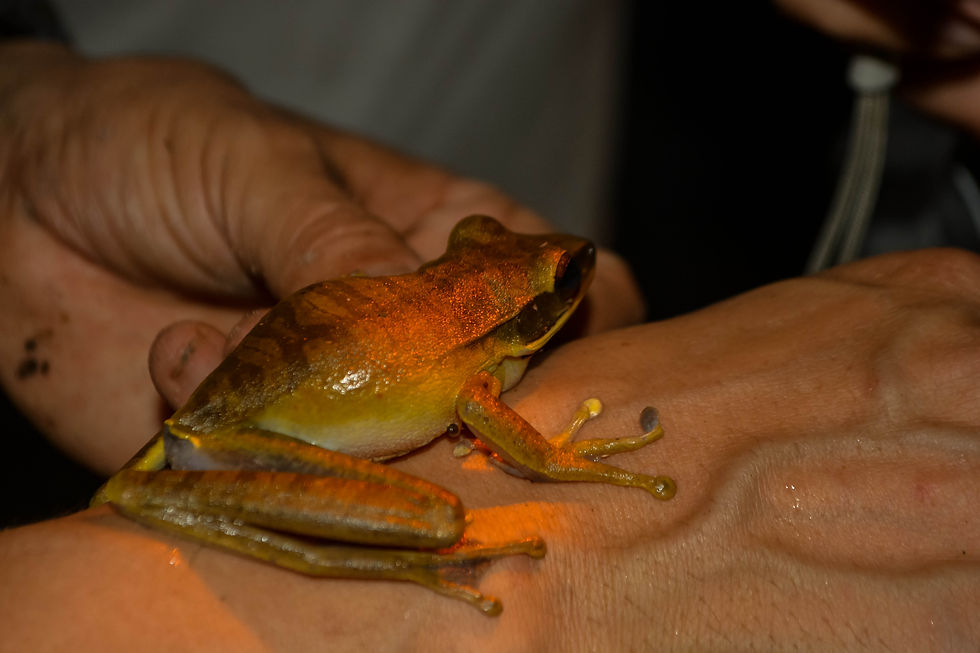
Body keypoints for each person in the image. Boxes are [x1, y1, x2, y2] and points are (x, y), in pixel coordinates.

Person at [0, 1, 977, 649]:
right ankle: (283, 538)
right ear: (531, 310)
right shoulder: (485, 375)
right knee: (436, 516)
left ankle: (169, 483)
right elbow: (531, 454)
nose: (568, 269)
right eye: (555, 276)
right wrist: (580, 469)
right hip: (240, 427)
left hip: (248, 390)